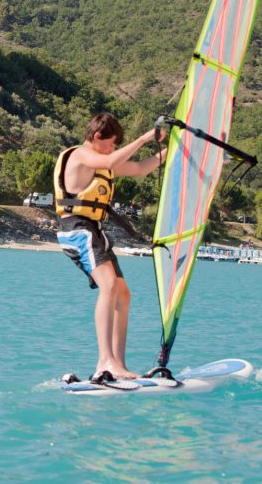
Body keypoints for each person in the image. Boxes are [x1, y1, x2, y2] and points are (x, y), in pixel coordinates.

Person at [54, 112, 166, 382]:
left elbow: (139, 169)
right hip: (77, 229)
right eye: (113, 143)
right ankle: (105, 362)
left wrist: (169, 151)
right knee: (109, 286)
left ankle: (118, 363)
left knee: (122, 293)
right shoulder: (81, 155)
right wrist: (143, 138)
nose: (114, 149)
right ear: (97, 138)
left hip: (94, 231)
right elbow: (108, 159)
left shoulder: (103, 161)